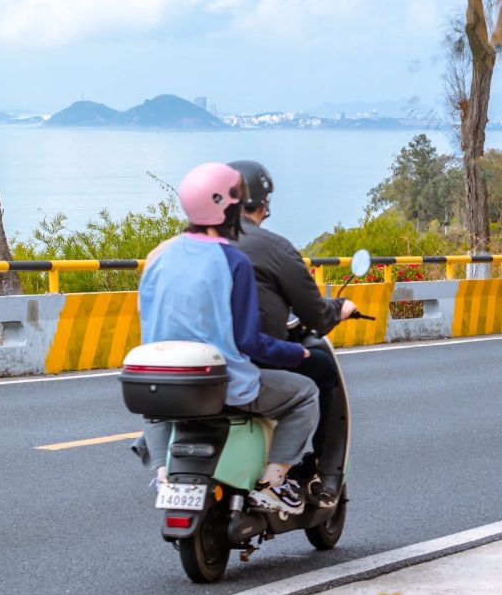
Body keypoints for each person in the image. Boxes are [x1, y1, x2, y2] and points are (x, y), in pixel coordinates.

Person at [139, 161, 319, 516]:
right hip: (219, 384)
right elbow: (248, 341)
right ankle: (274, 482)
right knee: (305, 394)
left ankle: (163, 475)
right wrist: (295, 354)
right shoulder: (231, 261)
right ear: (230, 207)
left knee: (158, 411)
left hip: (160, 379)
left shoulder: (159, 257)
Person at [231, 158, 355, 504]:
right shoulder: (272, 246)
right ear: (263, 202)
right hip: (246, 362)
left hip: (188, 364)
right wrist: (339, 308)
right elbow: (315, 313)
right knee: (320, 370)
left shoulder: (189, 246)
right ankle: (316, 470)